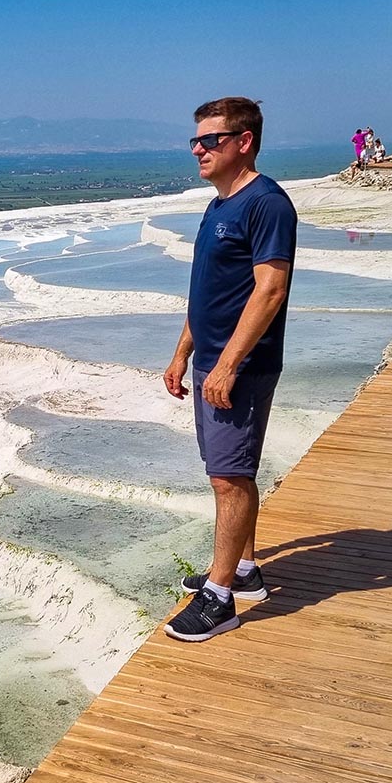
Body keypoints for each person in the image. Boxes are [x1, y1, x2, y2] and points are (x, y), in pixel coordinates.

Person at [162, 97, 297, 641]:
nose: (198, 148)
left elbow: (270, 290)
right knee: (231, 472)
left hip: (240, 368)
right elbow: (208, 295)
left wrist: (227, 365)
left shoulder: (267, 204)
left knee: (227, 478)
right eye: (195, 139)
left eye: (210, 139)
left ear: (243, 141)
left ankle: (220, 600)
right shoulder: (219, 205)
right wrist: (182, 352)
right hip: (214, 363)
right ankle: (243, 571)